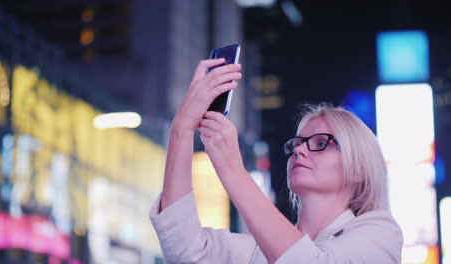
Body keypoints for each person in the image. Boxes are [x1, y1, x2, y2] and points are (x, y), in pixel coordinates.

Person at [149, 58, 403, 263]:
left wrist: (233, 171)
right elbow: (185, 249)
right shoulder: (257, 251)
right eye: (298, 143)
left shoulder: (380, 233)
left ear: (358, 168)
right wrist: (181, 129)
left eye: (320, 143)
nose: (300, 151)